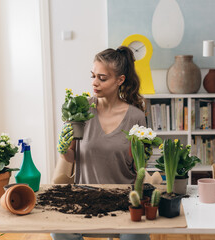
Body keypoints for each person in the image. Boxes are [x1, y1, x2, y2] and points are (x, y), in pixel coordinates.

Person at [51, 46, 150, 240]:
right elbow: (71, 156)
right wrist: (63, 150)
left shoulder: (136, 117)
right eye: (93, 76)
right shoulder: (80, 108)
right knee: (59, 231)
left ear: (120, 80)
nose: (94, 83)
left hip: (123, 197)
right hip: (84, 196)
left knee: (136, 237)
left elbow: (140, 165)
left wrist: (141, 157)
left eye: (102, 78)